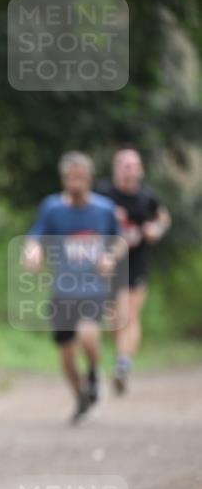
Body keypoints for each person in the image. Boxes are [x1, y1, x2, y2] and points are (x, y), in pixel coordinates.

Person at [22, 152, 126, 424]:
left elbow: (119, 241)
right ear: (63, 179)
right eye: (70, 177)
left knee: (89, 336)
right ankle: (80, 395)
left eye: (79, 177)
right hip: (63, 289)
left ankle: (93, 371)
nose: (74, 182)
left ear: (89, 178)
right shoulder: (52, 208)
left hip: (93, 287)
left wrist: (110, 256)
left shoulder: (104, 209)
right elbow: (35, 236)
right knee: (66, 354)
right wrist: (32, 252)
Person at [97, 149, 170, 394]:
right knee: (115, 320)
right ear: (116, 168)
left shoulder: (146, 197)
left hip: (135, 261)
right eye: (124, 164)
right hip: (107, 263)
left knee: (132, 313)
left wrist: (156, 229)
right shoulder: (104, 194)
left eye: (133, 165)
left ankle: (123, 364)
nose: (129, 169)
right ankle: (122, 356)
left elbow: (163, 217)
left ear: (140, 170)